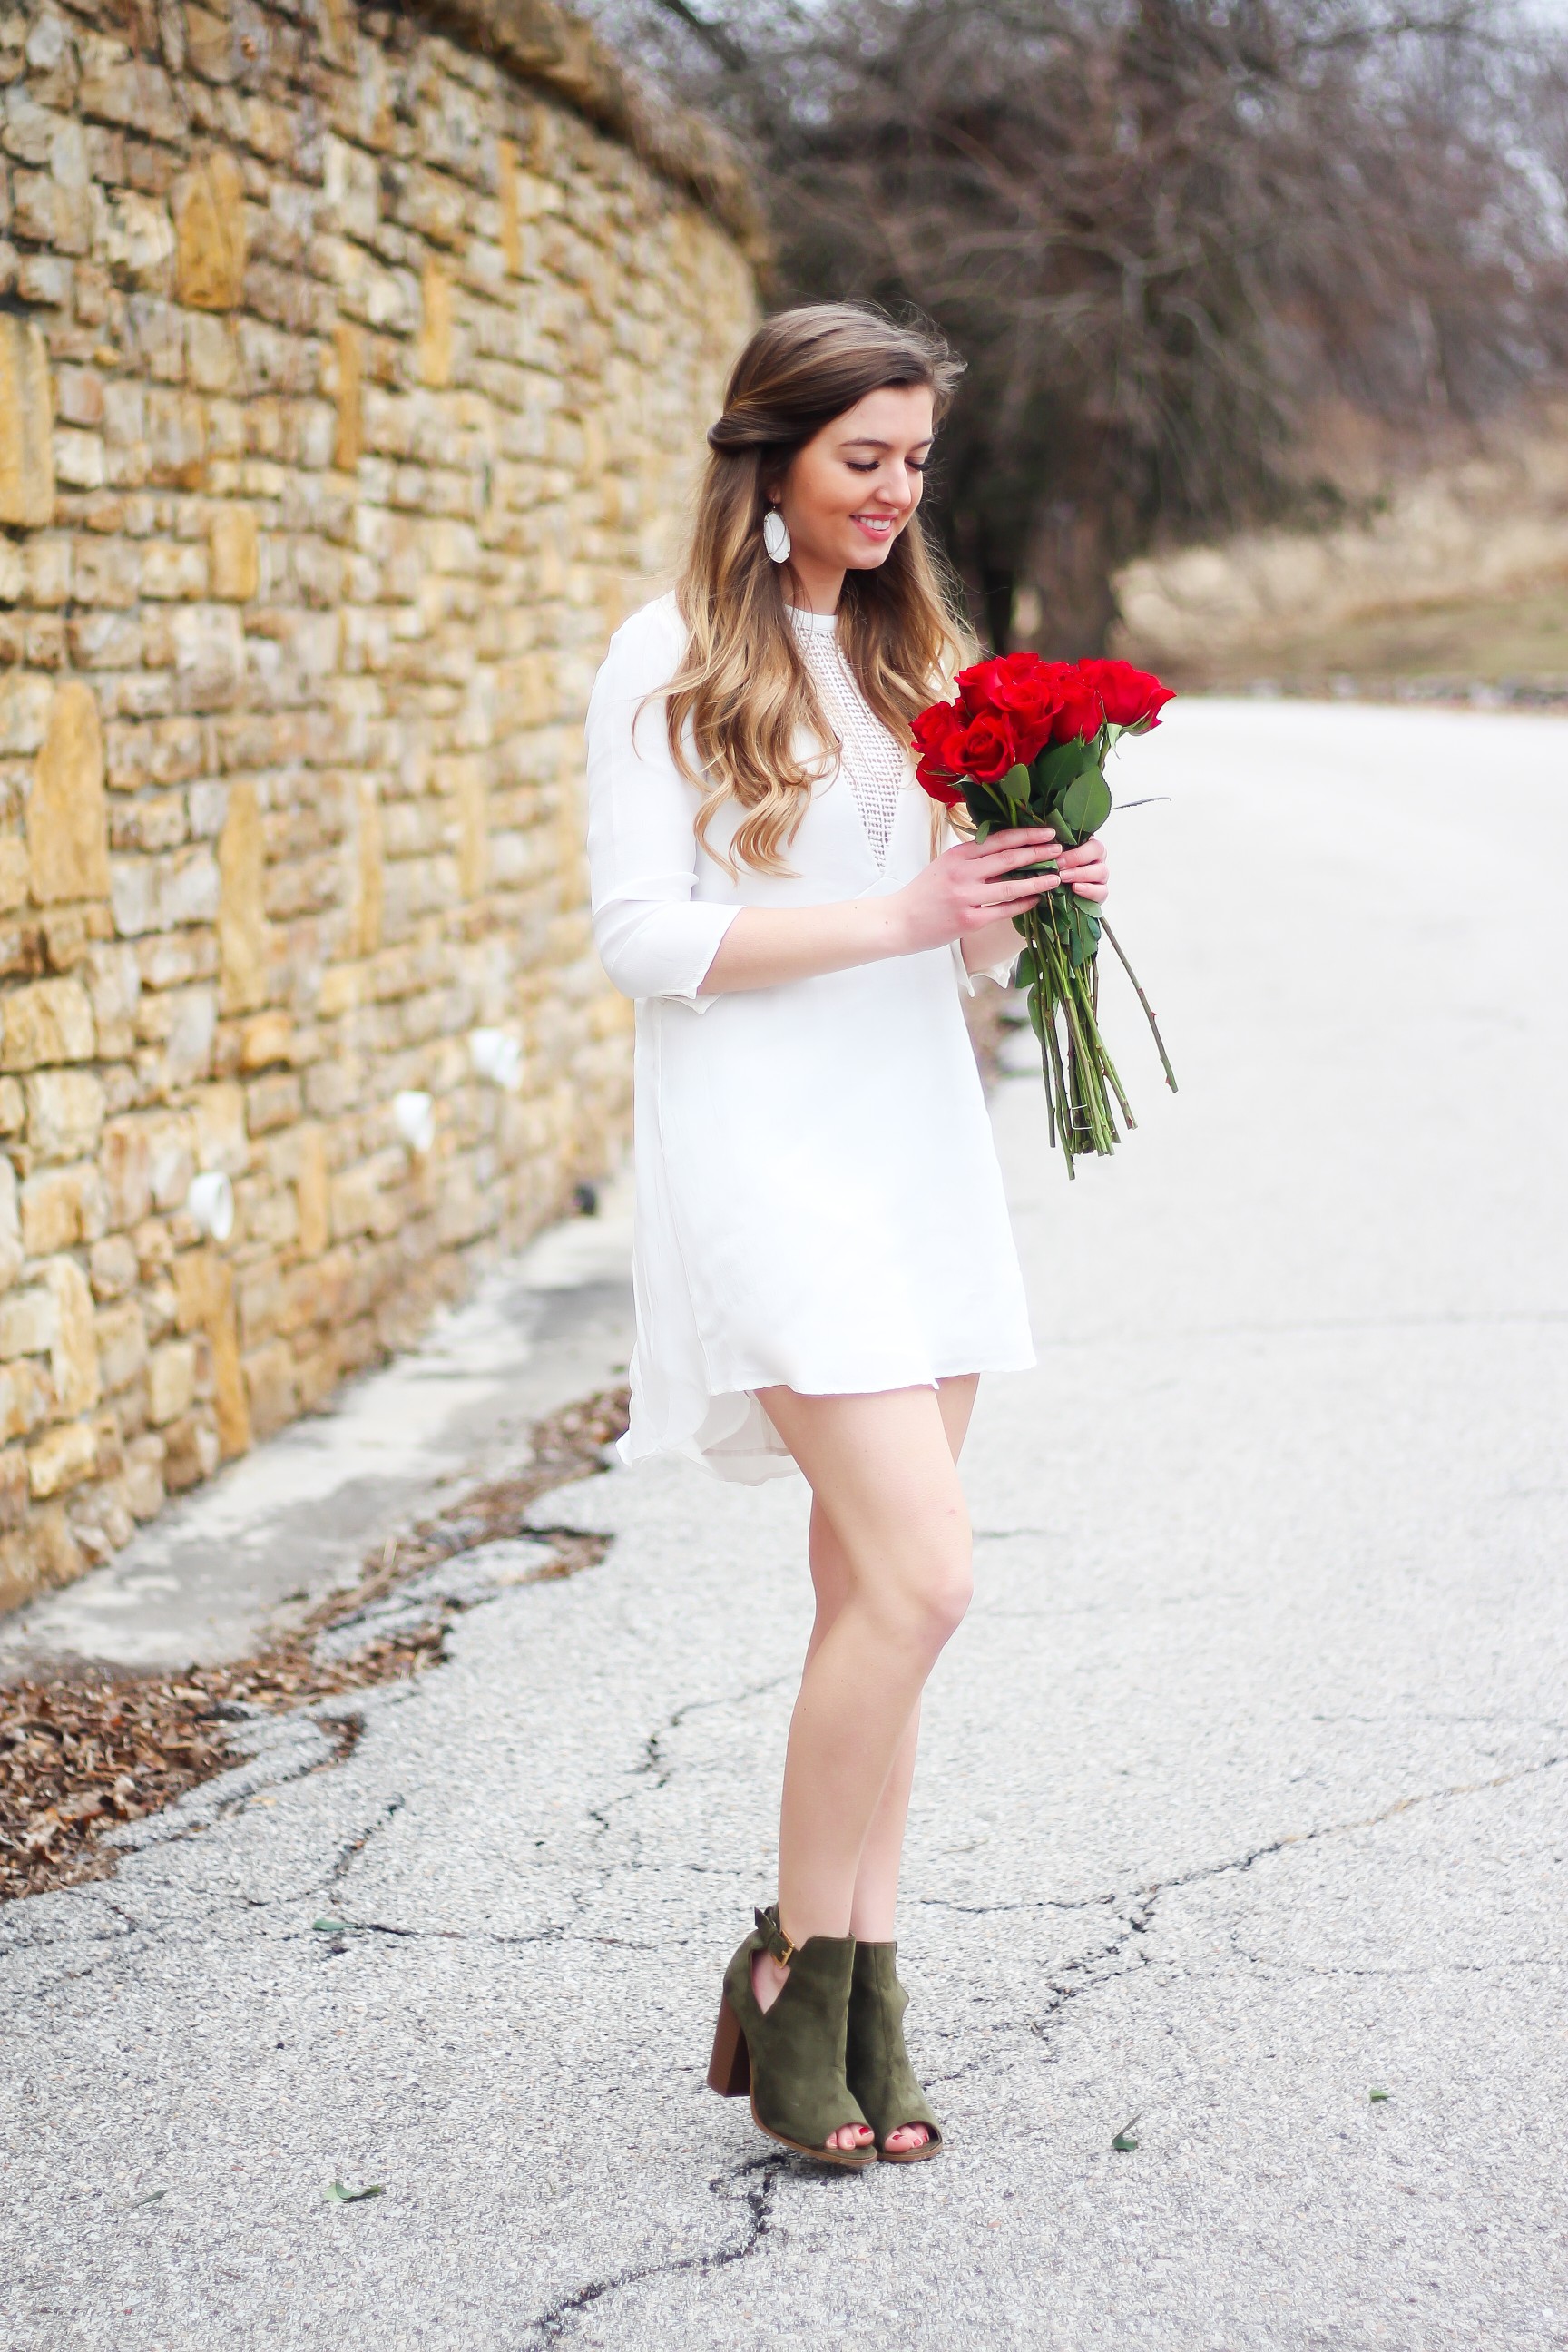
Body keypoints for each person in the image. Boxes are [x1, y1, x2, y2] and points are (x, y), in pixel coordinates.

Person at [583, 303, 1108, 2167]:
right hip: (763, 1162)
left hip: (911, 1154)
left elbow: (951, 938)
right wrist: (909, 919)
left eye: (915, 463)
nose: (896, 494)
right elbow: (642, 936)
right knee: (931, 1577)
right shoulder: (666, 657)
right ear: (770, 458)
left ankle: (873, 1992)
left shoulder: (922, 662)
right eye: (863, 459)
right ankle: (798, 1970)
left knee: (872, 1599)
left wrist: (1025, 887)